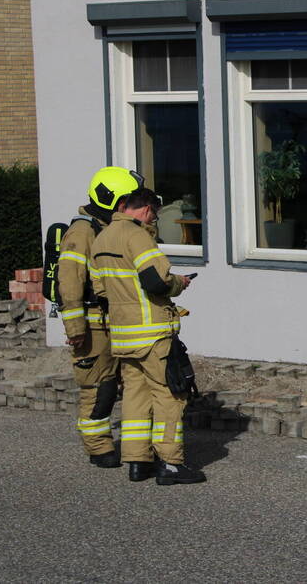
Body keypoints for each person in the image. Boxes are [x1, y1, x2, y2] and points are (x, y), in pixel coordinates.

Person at [91, 187, 204, 485]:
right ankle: (171, 464)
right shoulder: (138, 235)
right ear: (146, 210)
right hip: (152, 333)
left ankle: (137, 462)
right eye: (154, 214)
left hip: (124, 335)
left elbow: (100, 290)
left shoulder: (101, 239)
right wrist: (178, 283)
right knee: (170, 395)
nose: (154, 220)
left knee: (135, 397)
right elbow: (155, 281)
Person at [57, 166, 143, 468]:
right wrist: (75, 327)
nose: (131, 205)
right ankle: (98, 447)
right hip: (93, 325)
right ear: (114, 201)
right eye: (128, 200)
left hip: (118, 320)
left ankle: (136, 449)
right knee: (98, 387)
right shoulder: (81, 232)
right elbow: (68, 282)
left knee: (128, 384)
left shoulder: (112, 228)